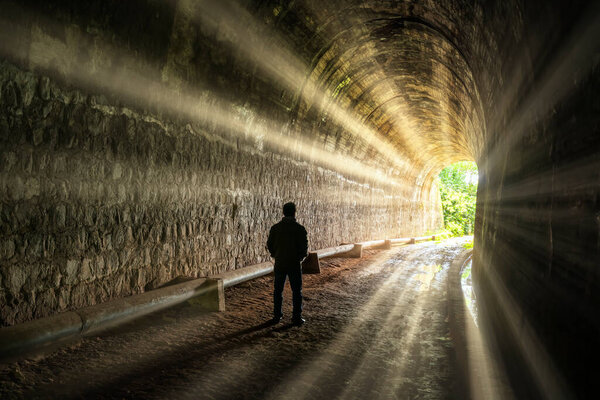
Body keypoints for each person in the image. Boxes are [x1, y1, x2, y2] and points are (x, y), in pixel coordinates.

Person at [266, 202, 308, 325]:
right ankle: (296, 317)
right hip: (294, 263)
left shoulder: (275, 228)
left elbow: (269, 244)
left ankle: (277, 315)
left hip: (280, 262)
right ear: (295, 212)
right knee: (296, 291)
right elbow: (304, 248)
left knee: (278, 290)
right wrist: (300, 258)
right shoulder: (300, 229)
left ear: (283, 212)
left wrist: (275, 254)